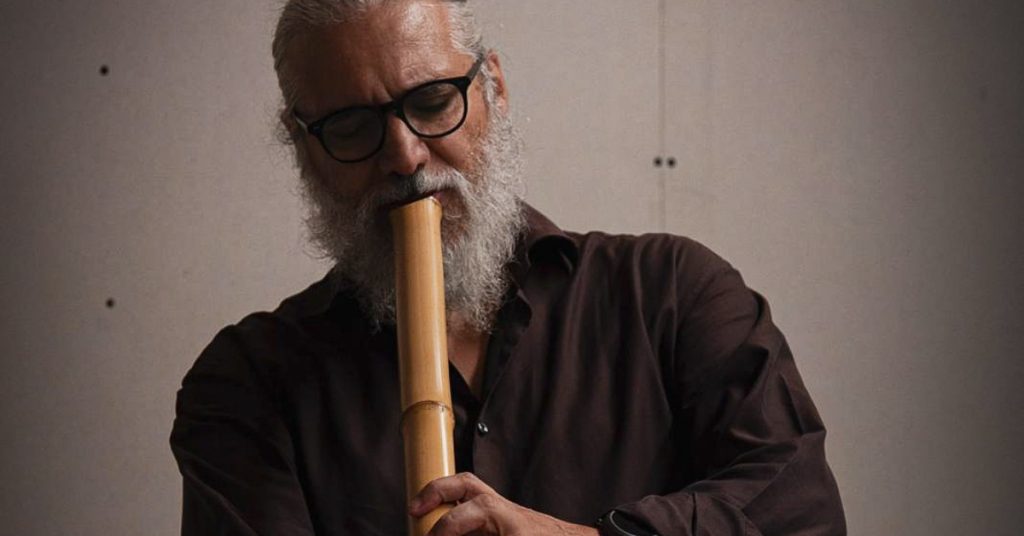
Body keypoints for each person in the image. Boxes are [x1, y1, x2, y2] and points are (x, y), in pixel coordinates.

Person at [170, 1, 846, 534]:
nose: (404, 156)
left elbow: (801, 518)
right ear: (302, 146)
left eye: (433, 101)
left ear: (492, 86)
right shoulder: (248, 383)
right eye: (350, 126)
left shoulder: (674, 294)